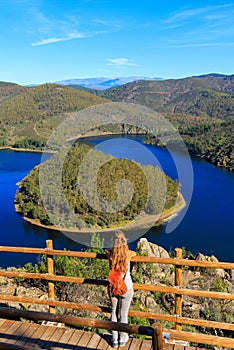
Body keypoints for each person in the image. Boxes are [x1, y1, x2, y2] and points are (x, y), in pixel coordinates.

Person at [106, 231, 136, 348]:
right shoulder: (128, 255)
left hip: (113, 287)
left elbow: (107, 251)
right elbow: (134, 253)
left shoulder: (110, 254)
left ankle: (114, 339)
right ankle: (123, 339)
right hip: (126, 288)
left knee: (113, 311)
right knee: (124, 314)